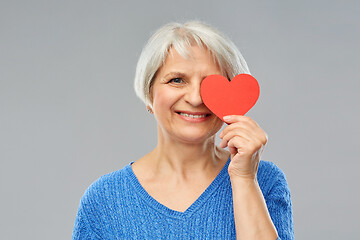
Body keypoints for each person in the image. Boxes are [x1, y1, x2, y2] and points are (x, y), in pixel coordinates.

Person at [72, 21, 294, 240]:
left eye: (210, 83)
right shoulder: (104, 199)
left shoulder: (265, 181)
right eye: (177, 80)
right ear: (149, 94)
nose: (196, 98)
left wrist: (244, 179)